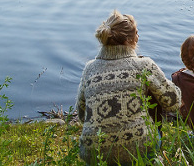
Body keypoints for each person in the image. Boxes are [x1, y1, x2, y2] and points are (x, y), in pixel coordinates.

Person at [76, 10, 181, 165]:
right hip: (139, 147)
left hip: (94, 154)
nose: (138, 37)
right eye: (136, 33)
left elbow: (81, 113)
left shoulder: (89, 69)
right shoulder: (143, 65)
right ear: (128, 40)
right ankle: (151, 158)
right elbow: (174, 103)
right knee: (153, 92)